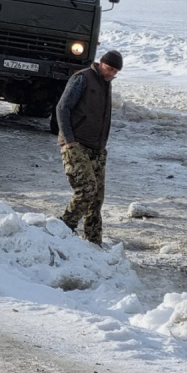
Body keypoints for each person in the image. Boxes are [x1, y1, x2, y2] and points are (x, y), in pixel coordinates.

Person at [54, 49, 123, 246]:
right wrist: (69, 140)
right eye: (109, 69)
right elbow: (62, 108)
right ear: (101, 63)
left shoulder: (105, 83)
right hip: (76, 145)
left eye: (115, 72)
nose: (111, 74)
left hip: (97, 148)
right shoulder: (82, 78)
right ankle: (64, 227)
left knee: (97, 199)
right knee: (86, 188)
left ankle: (93, 243)